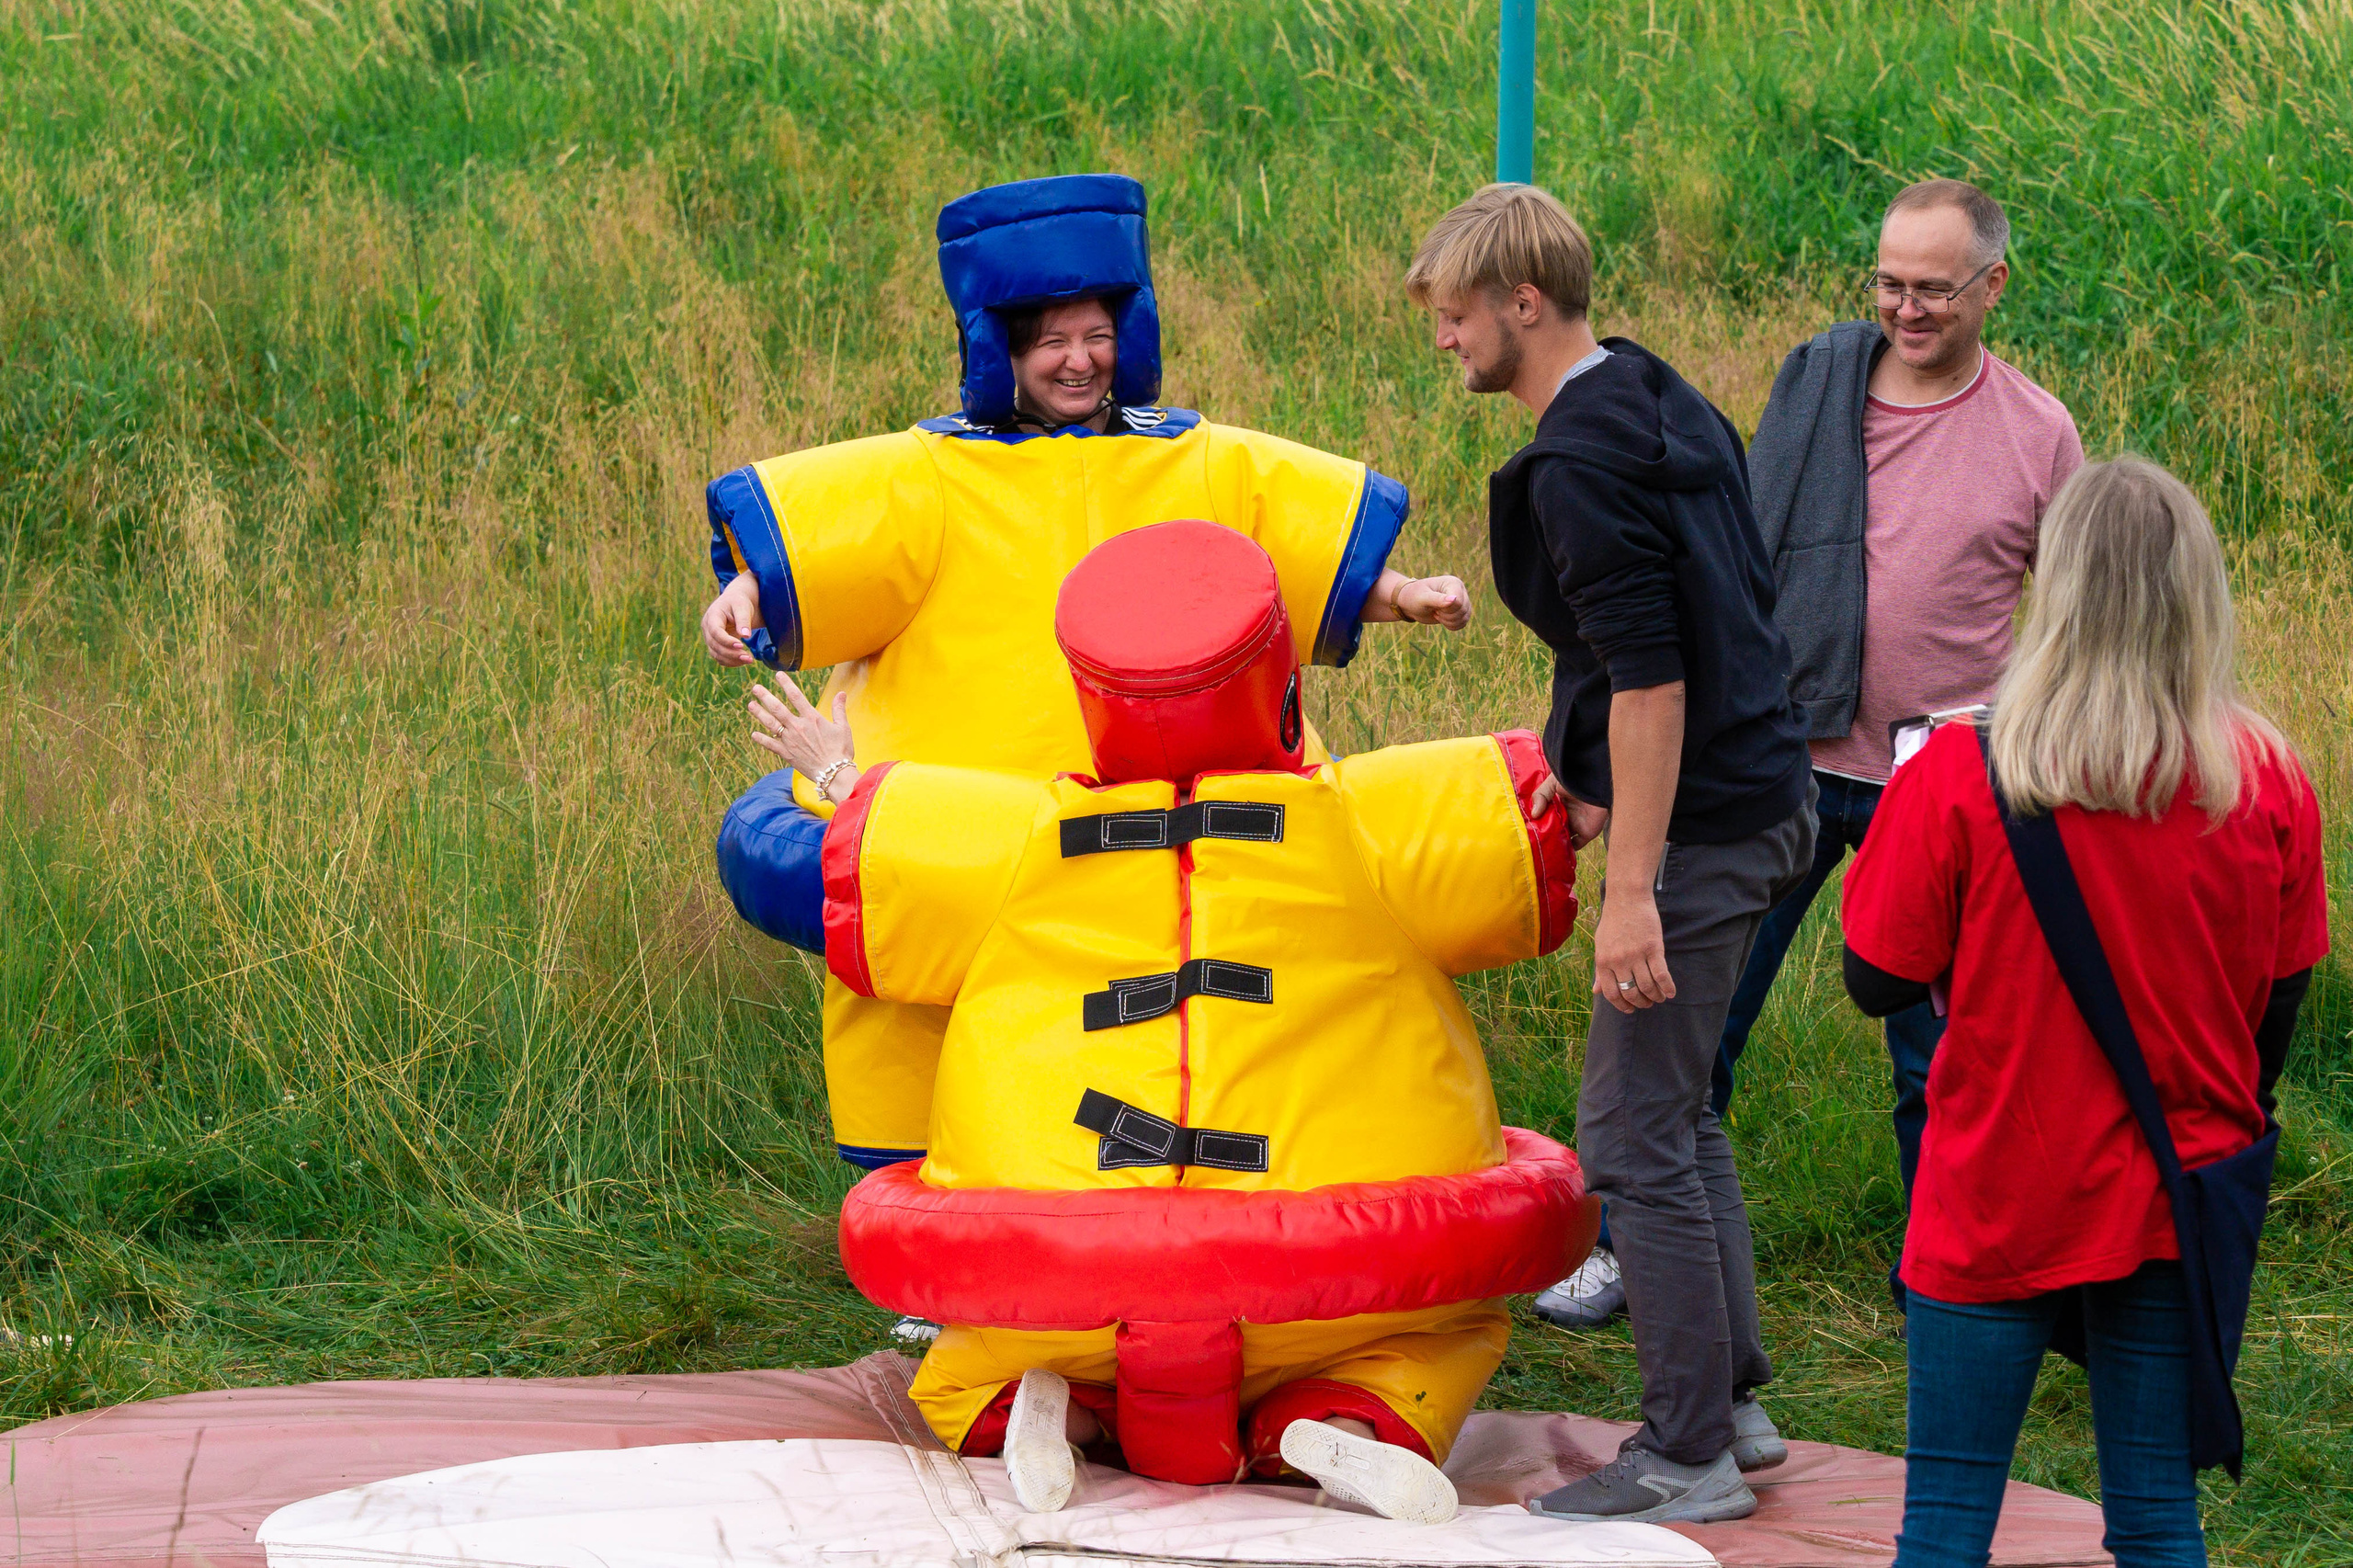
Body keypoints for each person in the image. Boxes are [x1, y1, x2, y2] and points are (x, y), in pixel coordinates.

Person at [745, 520, 1595, 1524]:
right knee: (1431, 1338)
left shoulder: (1023, 836)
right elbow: (1552, 807)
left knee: (984, 1345)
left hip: (1078, 1269)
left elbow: (877, 848)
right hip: (1331, 1268)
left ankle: (1047, 1403)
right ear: (1277, 682)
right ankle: (1351, 1418)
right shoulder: (1372, 820)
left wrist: (833, 765)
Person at [700, 174, 1468, 1177]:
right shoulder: (932, 477)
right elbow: (823, 550)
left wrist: (1406, 594)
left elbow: (1288, 550)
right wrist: (744, 596)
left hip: (1157, 811)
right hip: (970, 826)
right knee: (941, 1012)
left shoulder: (1187, 460)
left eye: (1097, 335)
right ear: (1002, 347)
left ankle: (1191, 1189)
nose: (1079, 360)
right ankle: (940, 1234)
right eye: (1052, 340)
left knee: (1164, 1022)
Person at [1536, 179, 2087, 1335]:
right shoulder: (1816, 386)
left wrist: (2025, 747)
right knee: (1697, 1015)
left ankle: (1941, 1282)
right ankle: (1636, 1246)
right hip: (1780, 759)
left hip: (1941, 788)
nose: (1904, 308)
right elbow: (1725, 551)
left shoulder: (2039, 435)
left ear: (1993, 286)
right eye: (1888, 282)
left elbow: (2077, 617)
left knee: (1938, 1059)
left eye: (1932, 288)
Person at [1405, 183, 1815, 1525]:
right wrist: (1581, 766)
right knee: (1681, 1115)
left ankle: (1686, 1449)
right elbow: (1696, 619)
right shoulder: (1647, 387)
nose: (1447, 340)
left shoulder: (1579, 459)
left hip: (1700, 826)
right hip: (1766, 788)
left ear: (1523, 302)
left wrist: (1630, 884)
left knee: (1628, 1132)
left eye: (1457, 316)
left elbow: (1651, 680)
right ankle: (1735, 1407)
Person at [1840, 458, 2327, 1567]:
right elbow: (2279, 1011)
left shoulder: (1960, 772)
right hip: (2177, 1185)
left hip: (1995, 1184)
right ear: (2198, 592)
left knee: (1947, 1524)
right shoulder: (2266, 777)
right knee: (2158, 1512)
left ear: (2048, 587)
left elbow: (1875, 976)